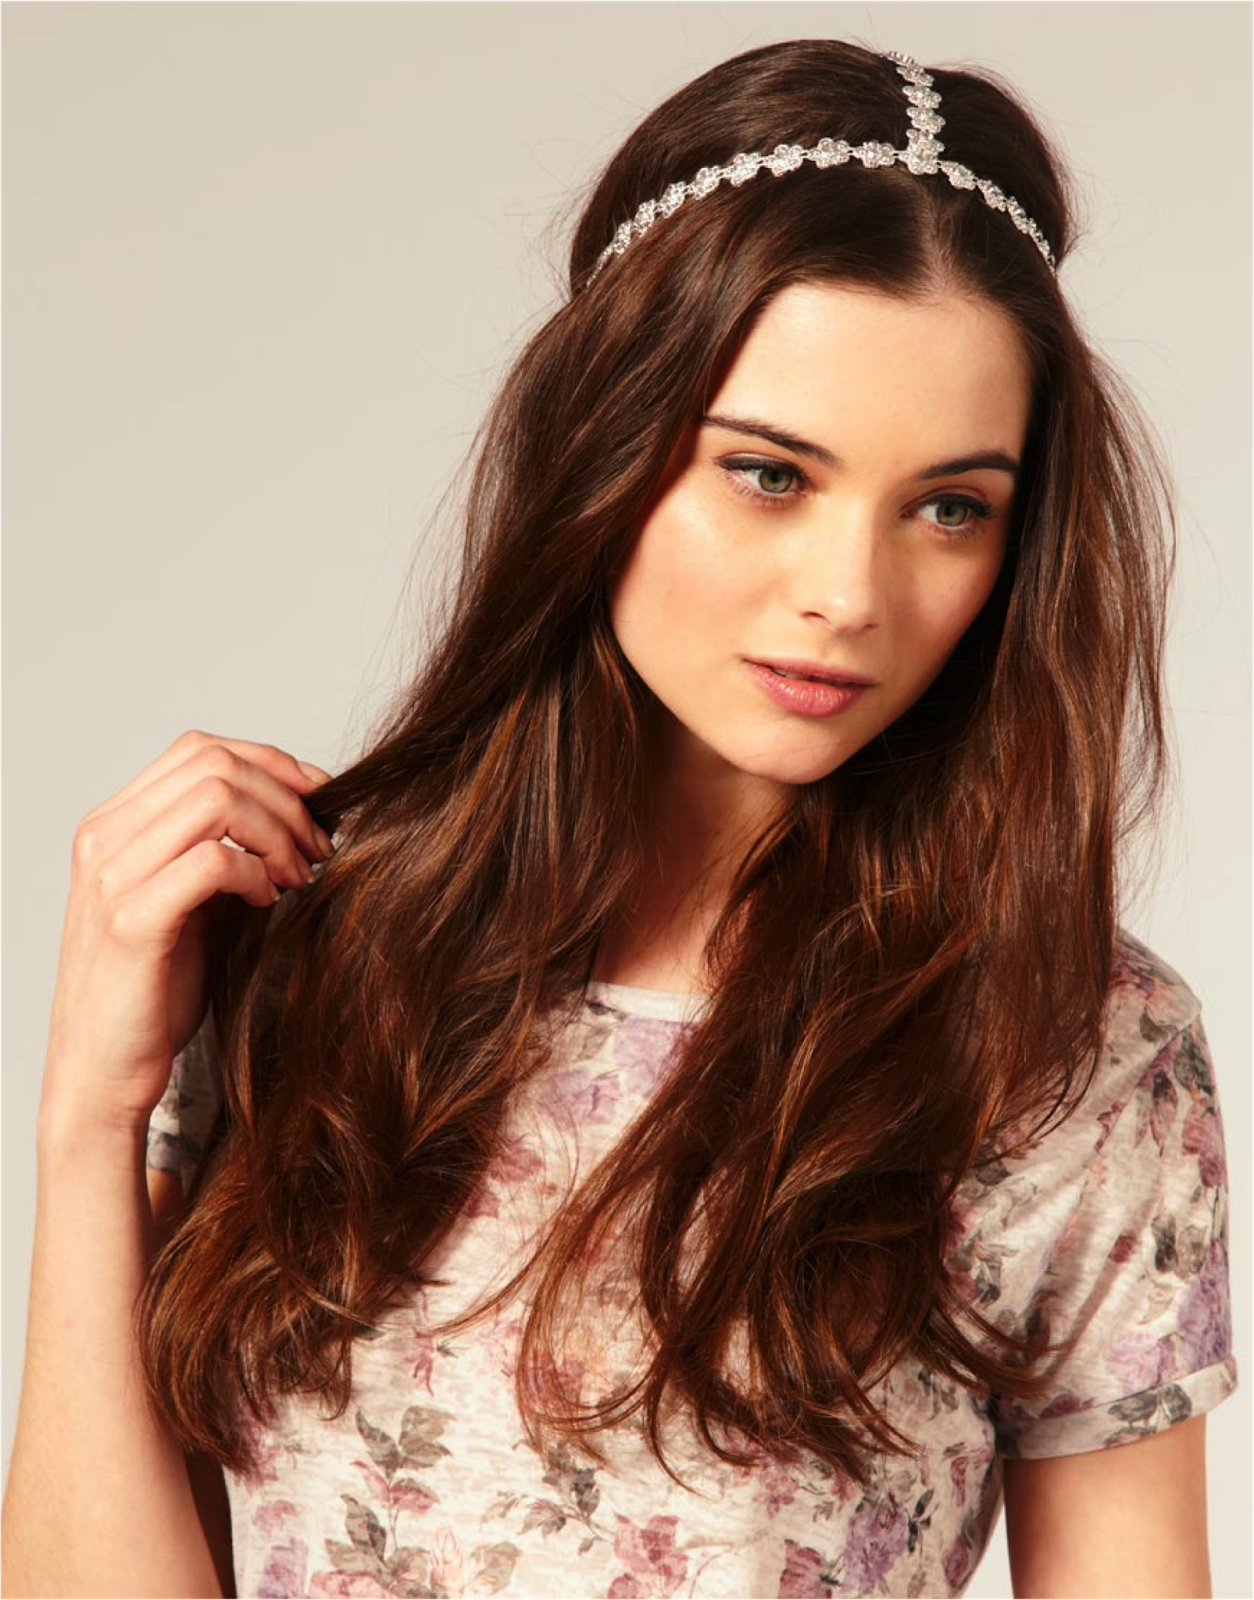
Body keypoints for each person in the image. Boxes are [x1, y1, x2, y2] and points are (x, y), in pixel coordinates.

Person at [4, 37, 1238, 1600]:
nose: (848, 593)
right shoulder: (302, 944)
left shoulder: (1064, 1051)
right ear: (605, 441)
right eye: (769, 474)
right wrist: (88, 1116)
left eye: (948, 507)